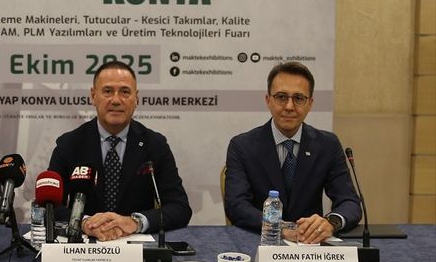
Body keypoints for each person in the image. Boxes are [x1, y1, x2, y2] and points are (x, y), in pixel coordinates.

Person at [48, 61, 192, 241]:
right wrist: (84, 223)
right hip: (84, 244)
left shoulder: (155, 145)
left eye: (125, 92)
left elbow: (179, 207)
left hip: (136, 246)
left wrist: (135, 222)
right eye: (107, 91)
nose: (116, 100)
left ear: (136, 98)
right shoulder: (69, 144)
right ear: (93, 96)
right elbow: (49, 206)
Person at [224, 61, 362, 244]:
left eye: (298, 98)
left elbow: (350, 202)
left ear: (310, 103)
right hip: (259, 242)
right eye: (281, 97)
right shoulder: (242, 146)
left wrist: (331, 222)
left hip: (310, 247)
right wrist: (281, 228)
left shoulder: (327, 145)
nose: (289, 106)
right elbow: (236, 206)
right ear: (268, 100)